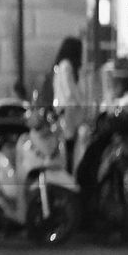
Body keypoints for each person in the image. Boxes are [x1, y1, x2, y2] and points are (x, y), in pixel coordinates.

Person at [46, 36, 84, 171]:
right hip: (69, 108)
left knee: (65, 141)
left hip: (61, 109)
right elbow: (69, 90)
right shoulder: (67, 66)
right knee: (71, 142)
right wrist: (80, 101)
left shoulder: (60, 65)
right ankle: (70, 170)